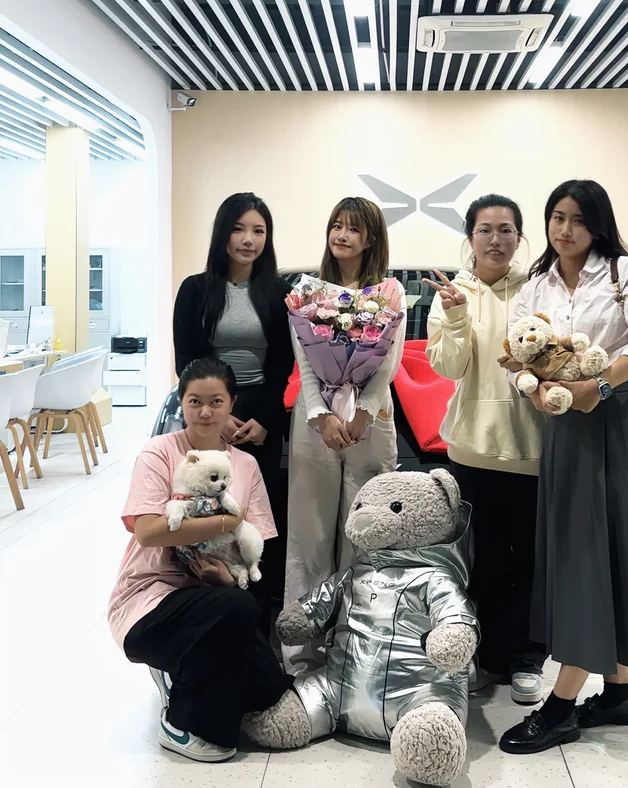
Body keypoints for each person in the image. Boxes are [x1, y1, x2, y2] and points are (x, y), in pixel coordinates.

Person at [499, 179, 628, 756]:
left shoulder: (624, 272)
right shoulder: (538, 283)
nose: (564, 229)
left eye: (577, 218)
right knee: (589, 552)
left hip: (615, 422)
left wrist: (595, 387)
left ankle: (561, 707)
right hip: (565, 427)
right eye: (557, 216)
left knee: (591, 555)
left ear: (598, 224)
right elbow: (516, 352)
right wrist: (534, 389)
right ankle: (618, 694)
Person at [107, 358, 293, 762]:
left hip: (217, 598)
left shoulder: (245, 465)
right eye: (195, 401)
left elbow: (257, 540)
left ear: (232, 403)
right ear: (181, 402)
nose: (205, 412)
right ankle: (183, 723)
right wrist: (225, 521)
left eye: (216, 401)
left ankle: (183, 666)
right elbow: (149, 531)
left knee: (265, 687)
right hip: (152, 597)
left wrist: (226, 577)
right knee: (235, 609)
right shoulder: (160, 452)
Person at [425, 194, 546, 706]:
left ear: (519, 236)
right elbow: (448, 368)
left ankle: (527, 657)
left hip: (534, 446)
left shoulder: (538, 288)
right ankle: (487, 654)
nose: (496, 240)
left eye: (506, 230)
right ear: (470, 237)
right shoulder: (453, 293)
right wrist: (456, 316)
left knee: (533, 559)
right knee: (484, 558)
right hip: (473, 448)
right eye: (484, 230)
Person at [284, 196, 405, 673]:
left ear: (371, 238)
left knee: (367, 530)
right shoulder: (307, 292)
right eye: (336, 225)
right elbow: (305, 361)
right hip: (314, 422)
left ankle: (361, 645)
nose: (342, 235)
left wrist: (363, 414)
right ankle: (301, 647)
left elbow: (388, 361)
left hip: (369, 421)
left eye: (353, 228)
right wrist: (320, 414)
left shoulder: (389, 292)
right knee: (310, 531)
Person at [173, 193, 293, 608]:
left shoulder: (278, 292)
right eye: (239, 229)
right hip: (211, 408)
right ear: (223, 233)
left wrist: (266, 420)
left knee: (259, 512)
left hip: (261, 410)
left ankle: (260, 603)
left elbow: (283, 364)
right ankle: (212, 600)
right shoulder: (195, 290)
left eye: (258, 231)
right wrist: (216, 416)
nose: (248, 240)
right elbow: (186, 360)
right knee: (206, 510)